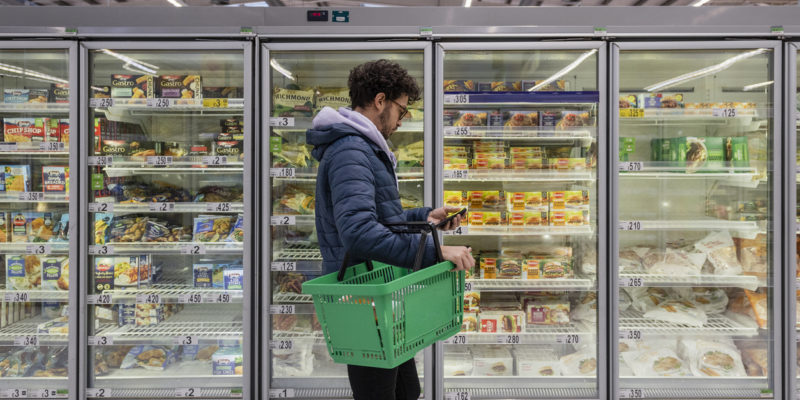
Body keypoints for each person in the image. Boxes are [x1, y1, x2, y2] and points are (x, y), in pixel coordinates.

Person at [306, 59, 475, 400]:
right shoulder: (351, 149)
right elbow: (358, 232)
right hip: (361, 296)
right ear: (380, 101)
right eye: (402, 109)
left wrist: (424, 218)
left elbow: (376, 217)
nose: (402, 120)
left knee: (407, 391)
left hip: (378, 290)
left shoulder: (363, 147)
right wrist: (435, 251)